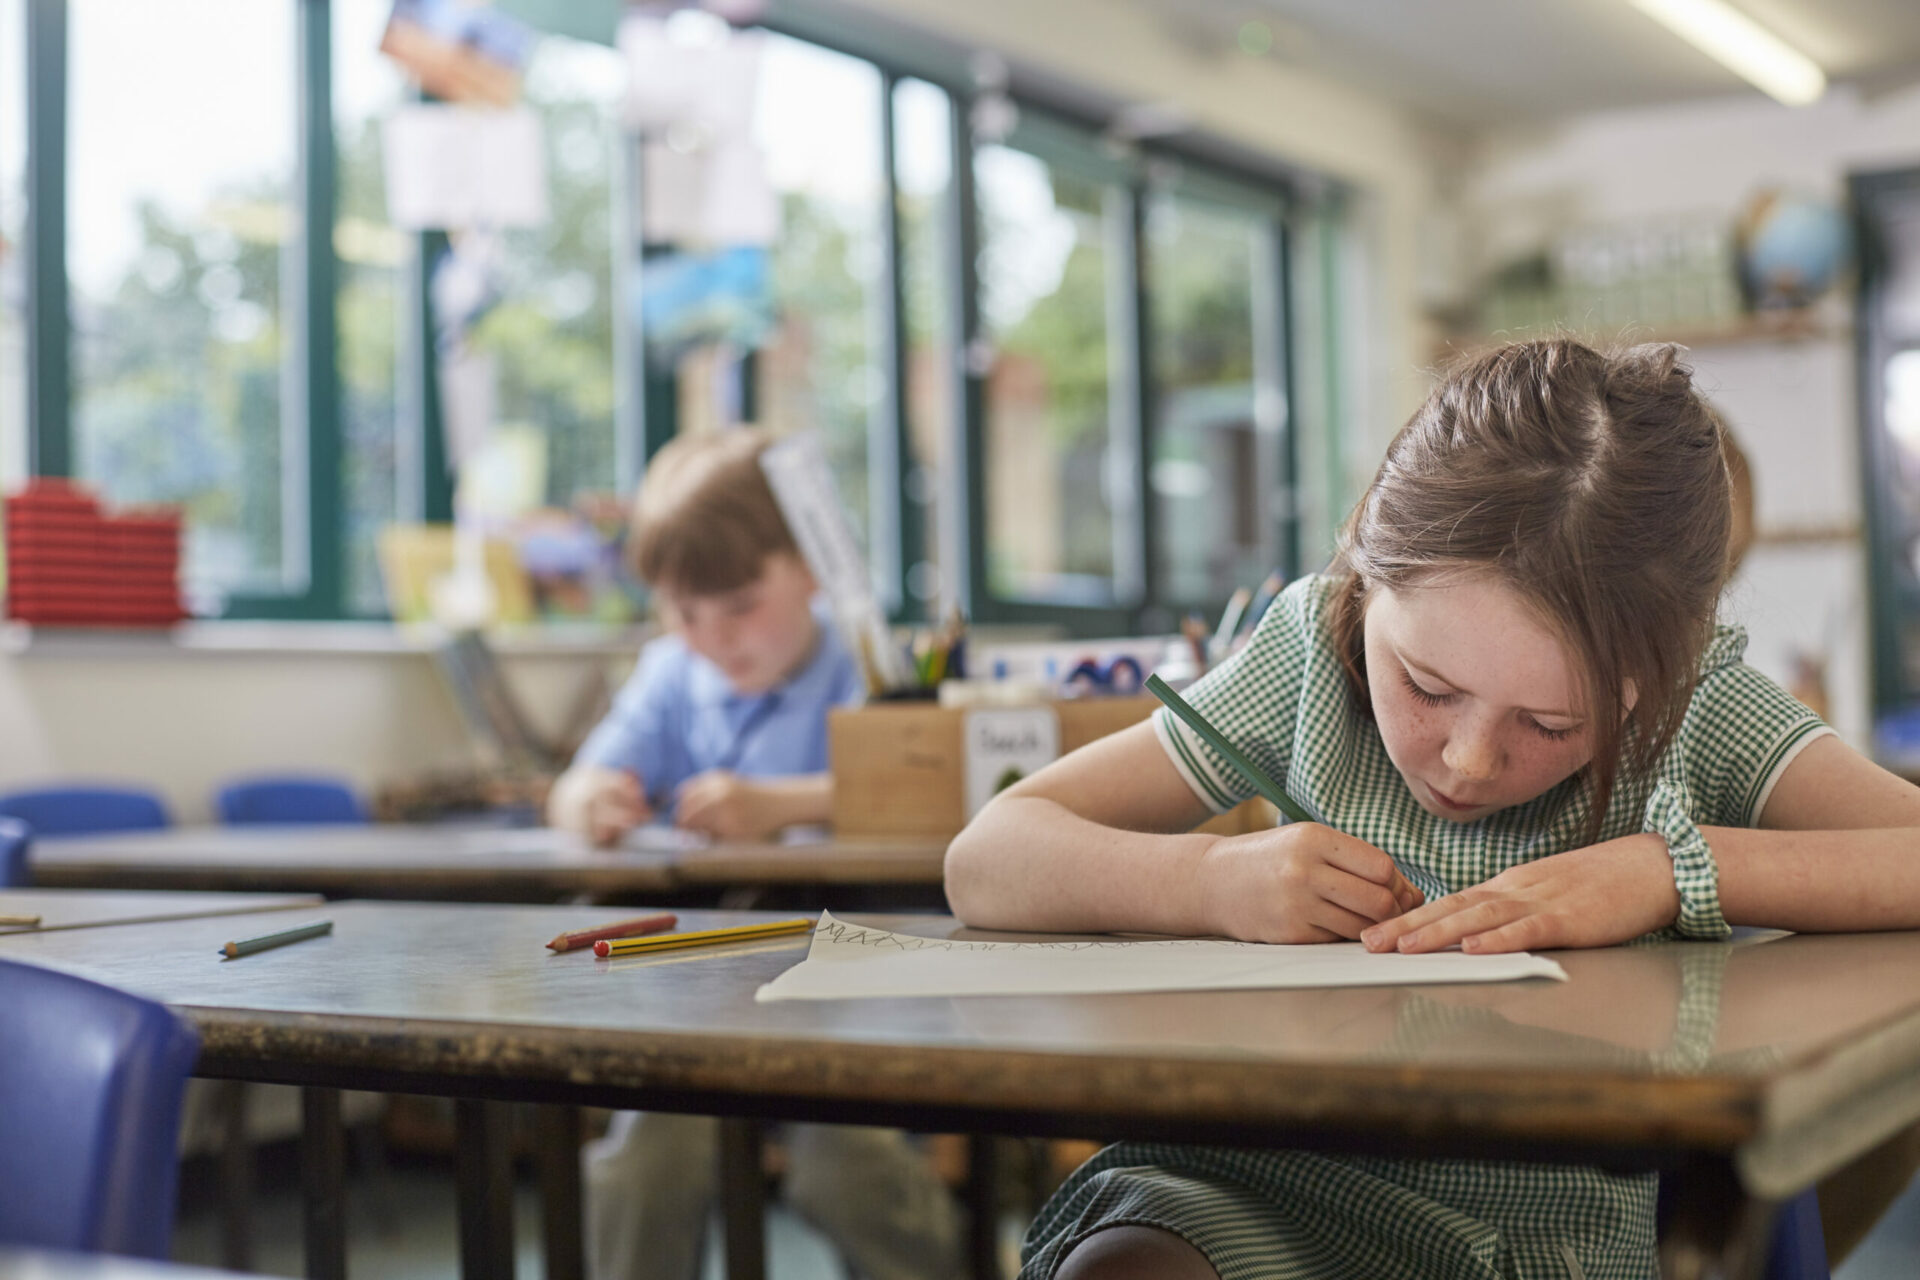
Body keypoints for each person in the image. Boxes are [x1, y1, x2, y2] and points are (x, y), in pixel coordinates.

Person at [947, 338, 1920, 1280]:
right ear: (1368, 578)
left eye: (1548, 722)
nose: (1466, 758)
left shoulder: (1696, 702)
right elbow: (988, 855)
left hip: (1533, 1231)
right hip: (1248, 1172)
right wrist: (1207, 879)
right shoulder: (1306, 654)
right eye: (1424, 683)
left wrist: (1668, 867)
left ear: (1653, 681)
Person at [551, 427, 960, 1280]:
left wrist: (782, 805)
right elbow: (574, 787)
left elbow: (935, 791)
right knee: (645, 1168)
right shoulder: (671, 675)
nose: (713, 637)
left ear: (809, 567)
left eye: (739, 605)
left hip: (856, 984)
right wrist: (590, 798)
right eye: (684, 612)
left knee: (847, 1172)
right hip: (707, 995)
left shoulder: (867, 666)